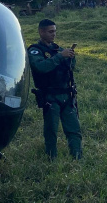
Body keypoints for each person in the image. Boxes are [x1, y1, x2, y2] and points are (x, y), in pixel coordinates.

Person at [27, 19, 82, 160]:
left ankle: (77, 156)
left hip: (66, 94)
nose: (54, 34)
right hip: (50, 96)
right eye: (51, 31)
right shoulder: (35, 50)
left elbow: (70, 68)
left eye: (55, 31)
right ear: (41, 32)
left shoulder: (57, 49)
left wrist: (70, 58)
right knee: (51, 128)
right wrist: (59, 57)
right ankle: (51, 157)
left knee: (73, 128)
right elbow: (41, 67)